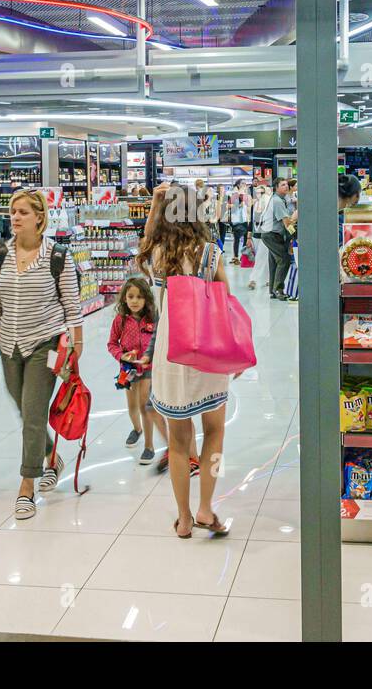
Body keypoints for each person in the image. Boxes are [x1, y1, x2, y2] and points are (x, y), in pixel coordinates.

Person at [0, 188, 83, 520]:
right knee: (24, 409)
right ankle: (52, 456)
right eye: (13, 211)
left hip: (46, 343)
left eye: (22, 212)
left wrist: (76, 346)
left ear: (39, 217)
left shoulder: (57, 256)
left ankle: (27, 485)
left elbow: (72, 304)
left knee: (34, 412)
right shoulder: (1, 255)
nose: (15, 217)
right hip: (10, 344)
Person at [138, 182, 232, 538]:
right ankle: (207, 507)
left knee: (178, 440)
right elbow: (226, 302)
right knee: (214, 431)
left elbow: (145, 241)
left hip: (171, 354)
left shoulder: (159, 255)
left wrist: (154, 204)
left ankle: (184, 518)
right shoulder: (210, 254)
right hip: (208, 353)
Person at [108, 277, 165, 464]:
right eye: (130, 296)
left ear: (146, 299)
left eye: (139, 297)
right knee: (132, 406)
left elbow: (160, 340)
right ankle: (137, 429)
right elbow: (111, 344)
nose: (134, 301)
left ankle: (149, 446)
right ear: (124, 298)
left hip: (148, 368)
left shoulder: (153, 318)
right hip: (128, 369)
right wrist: (121, 356)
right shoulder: (120, 321)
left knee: (144, 406)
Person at [262, 178, 296, 301]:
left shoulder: (280, 199)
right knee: (284, 259)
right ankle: (279, 289)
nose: (286, 187)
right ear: (276, 187)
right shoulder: (277, 201)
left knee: (274, 262)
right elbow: (287, 223)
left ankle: (273, 290)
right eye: (283, 185)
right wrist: (295, 234)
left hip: (270, 234)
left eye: (287, 185)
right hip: (272, 235)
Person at [249, 184, 272, 292]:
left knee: (260, 257)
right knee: (263, 257)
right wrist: (248, 237)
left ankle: (253, 279)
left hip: (266, 234)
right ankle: (269, 279)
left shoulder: (268, 203)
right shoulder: (255, 204)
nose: (259, 195)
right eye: (257, 192)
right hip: (256, 235)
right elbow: (251, 221)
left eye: (261, 193)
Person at [228, 180, 252, 266]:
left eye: (245, 184)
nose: (244, 185)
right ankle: (236, 257)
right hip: (237, 220)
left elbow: (249, 207)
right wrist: (237, 205)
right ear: (238, 185)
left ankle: (243, 256)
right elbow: (229, 205)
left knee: (246, 239)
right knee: (237, 239)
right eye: (242, 184)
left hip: (245, 219)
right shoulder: (234, 194)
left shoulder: (247, 195)